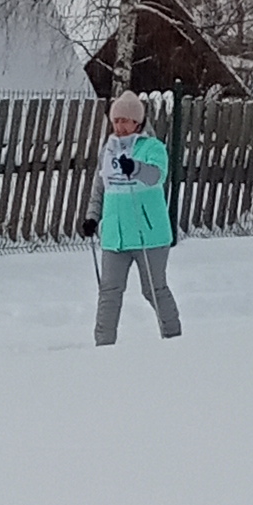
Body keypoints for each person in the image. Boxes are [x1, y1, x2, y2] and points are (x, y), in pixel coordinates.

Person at [92, 91, 182, 344]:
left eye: (125, 121)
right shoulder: (108, 149)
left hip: (149, 235)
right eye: (116, 121)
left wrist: (137, 168)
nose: (119, 126)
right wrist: (92, 217)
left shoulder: (153, 147)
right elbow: (99, 187)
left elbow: (156, 176)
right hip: (115, 236)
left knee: (153, 289)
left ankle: (174, 339)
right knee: (109, 292)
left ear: (137, 122)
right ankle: (103, 346)